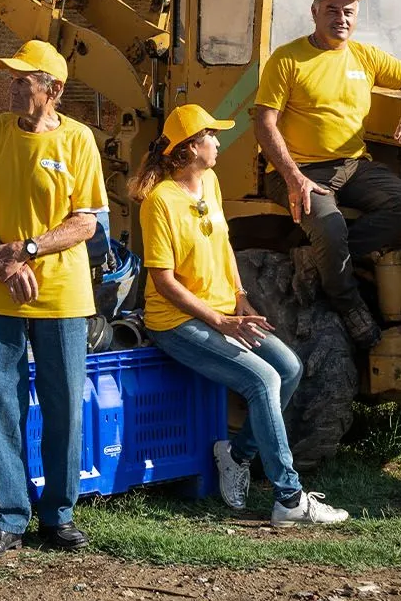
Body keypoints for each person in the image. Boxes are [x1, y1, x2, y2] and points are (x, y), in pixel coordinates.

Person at [135, 103, 352, 527]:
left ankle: (235, 455)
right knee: (264, 380)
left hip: (222, 312)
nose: (218, 142)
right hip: (176, 322)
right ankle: (289, 499)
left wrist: (239, 297)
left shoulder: (211, 183)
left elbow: (223, 245)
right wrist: (219, 323)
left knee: (289, 367)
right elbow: (163, 283)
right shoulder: (158, 202)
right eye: (212, 136)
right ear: (191, 146)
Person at [0, 39, 107, 560]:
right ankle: (7, 519)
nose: (12, 86)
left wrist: (28, 248)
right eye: (11, 78)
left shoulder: (79, 140)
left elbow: (86, 220)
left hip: (62, 294)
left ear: (54, 90)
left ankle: (59, 514)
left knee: (65, 402)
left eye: (24, 80)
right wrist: (2, 260)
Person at [251, 0, 401, 346]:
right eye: (332, 9)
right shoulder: (287, 58)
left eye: (349, 11)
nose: (341, 18)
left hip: (352, 165)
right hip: (296, 169)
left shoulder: (365, 56)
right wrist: (294, 178)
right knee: (331, 228)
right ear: (315, 12)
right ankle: (348, 304)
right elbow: (263, 122)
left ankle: (320, 259)